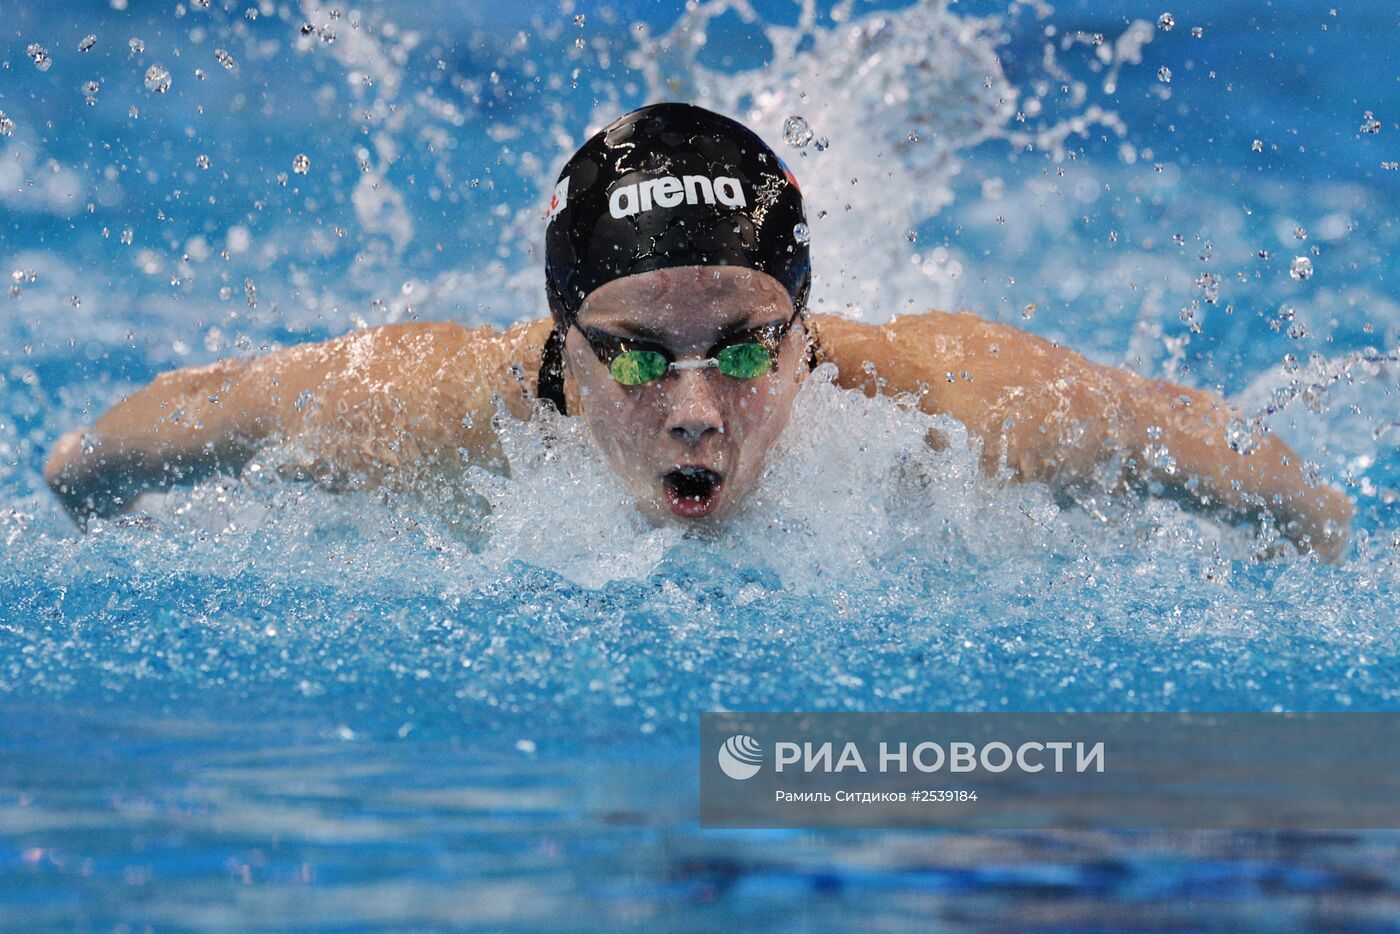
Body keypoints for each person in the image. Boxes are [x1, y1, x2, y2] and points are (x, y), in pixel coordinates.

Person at [44, 102, 1352, 561]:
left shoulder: (967, 412)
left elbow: (1297, 502)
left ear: (802, 333)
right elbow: (115, 446)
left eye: (741, 347)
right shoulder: (420, 411)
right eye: (626, 348)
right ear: (561, 340)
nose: (691, 407)